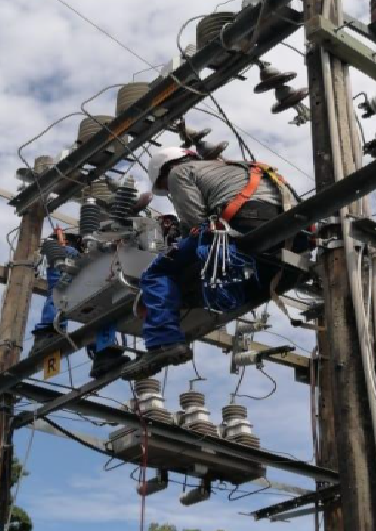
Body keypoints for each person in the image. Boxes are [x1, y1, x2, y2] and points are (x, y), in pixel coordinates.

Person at [118, 146, 295, 381]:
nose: (168, 188)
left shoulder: (179, 172)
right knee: (236, 279)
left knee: (157, 273)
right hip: (292, 233)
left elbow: (195, 221)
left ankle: (163, 343)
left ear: (165, 170)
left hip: (243, 221)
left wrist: (176, 245)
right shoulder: (233, 167)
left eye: (164, 184)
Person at [29, 232, 129, 378]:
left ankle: (103, 354)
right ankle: (101, 352)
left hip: (88, 290)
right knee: (66, 293)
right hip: (74, 283)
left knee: (97, 306)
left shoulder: (81, 257)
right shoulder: (65, 252)